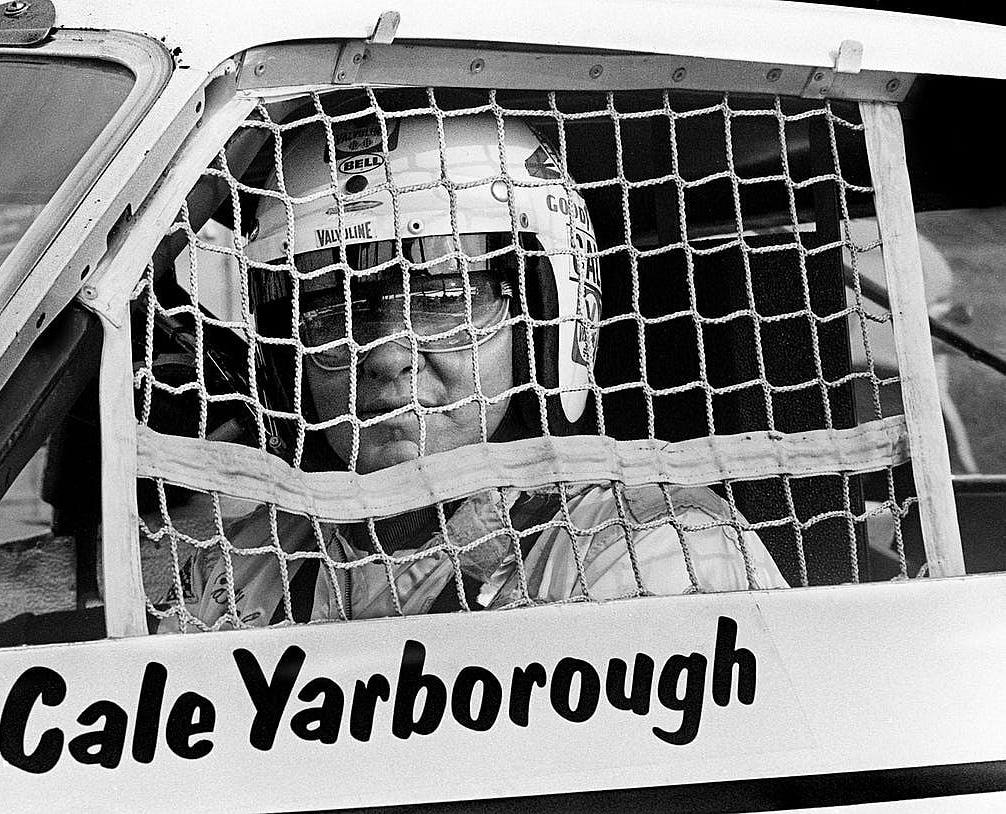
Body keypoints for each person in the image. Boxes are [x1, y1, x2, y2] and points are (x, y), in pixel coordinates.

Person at [158, 108, 787, 632]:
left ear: (544, 319)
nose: (386, 355)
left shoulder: (657, 554)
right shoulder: (242, 564)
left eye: (444, 298)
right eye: (332, 312)